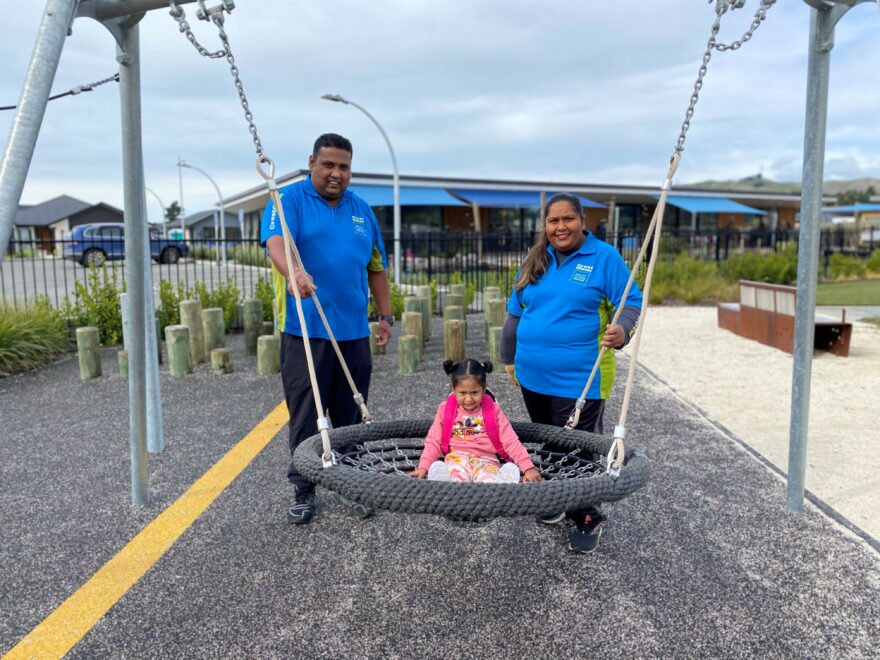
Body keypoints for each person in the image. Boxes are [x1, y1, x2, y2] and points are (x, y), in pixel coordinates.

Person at [260, 133, 393, 525]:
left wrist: (385, 317)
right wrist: (294, 271)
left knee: (351, 415)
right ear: (312, 163)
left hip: (352, 332)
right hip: (306, 332)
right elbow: (275, 243)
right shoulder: (290, 200)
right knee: (307, 415)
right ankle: (303, 486)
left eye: (344, 167)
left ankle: (352, 485)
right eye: (329, 164)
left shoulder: (362, 211)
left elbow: (376, 267)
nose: (336, 173)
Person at [500, 192, 642, 554]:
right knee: (549, 440)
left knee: (578, 448)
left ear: (582, 221)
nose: (560, 227)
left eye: (567, 219)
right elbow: (516, 311)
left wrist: (622, 330)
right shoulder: (537, 260)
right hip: (533, 374)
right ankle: (556, 498)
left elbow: (630, 301)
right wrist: (509, 355)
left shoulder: (603, 257)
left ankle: (587, 514)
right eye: (553, 221)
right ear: (545, 226)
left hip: (580, 376)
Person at [411, 360, 541, 484]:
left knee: (488, 480)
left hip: (486, 460)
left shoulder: (493, 410)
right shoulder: (446, 409)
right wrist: (424, 466)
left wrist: (527, 467)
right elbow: (434, 439)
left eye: (474, 392)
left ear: (484, 389)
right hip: (456, 459)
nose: (468, 399)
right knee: (456, 478)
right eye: (462, 393)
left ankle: (501, 484)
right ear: (453, 389)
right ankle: (444, 481)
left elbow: (510, 439)